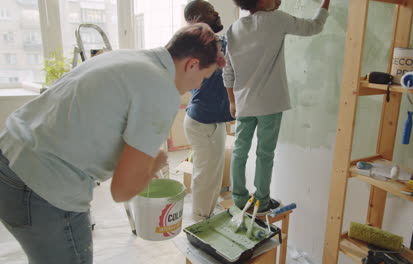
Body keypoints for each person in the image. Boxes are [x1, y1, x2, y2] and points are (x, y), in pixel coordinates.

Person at [0, 23, 223, 264]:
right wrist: (153, 165)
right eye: (204, 76)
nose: (199, 86)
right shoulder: (162, 90)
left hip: (9, 157)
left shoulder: (126, 57)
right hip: (43, 187)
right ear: (191, 64)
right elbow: (121, 191)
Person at [223, 0, 330, 214]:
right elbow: (315, 26)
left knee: (240, 150)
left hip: (244, 103)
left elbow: (228, 71)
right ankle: (261, 201)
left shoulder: (233, 28)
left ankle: (239, 198)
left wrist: (232, 101)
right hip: (270, 104)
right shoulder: (277, 20)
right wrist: (326, 3)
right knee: (265, 153)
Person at [183, 0, 235, 221]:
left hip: (214, 122)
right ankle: (199, 222)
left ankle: (206, 216)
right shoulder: (194, 45)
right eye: (210, 11)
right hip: (203, 122)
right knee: (205, 177)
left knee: (212, 176)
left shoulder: (220, 41)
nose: (216, 13)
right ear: (196, 18)